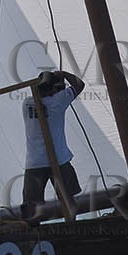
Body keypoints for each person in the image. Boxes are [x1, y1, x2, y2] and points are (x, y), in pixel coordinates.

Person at [21, 69, 86, 215]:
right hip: (59, 160)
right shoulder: (58, 101)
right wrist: (63, 74)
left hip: (34, 162)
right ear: (53, 89)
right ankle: (72, 227)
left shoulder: (26, 103)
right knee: (68, 200)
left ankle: (32, 231)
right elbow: (79, 85)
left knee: (31, 204)